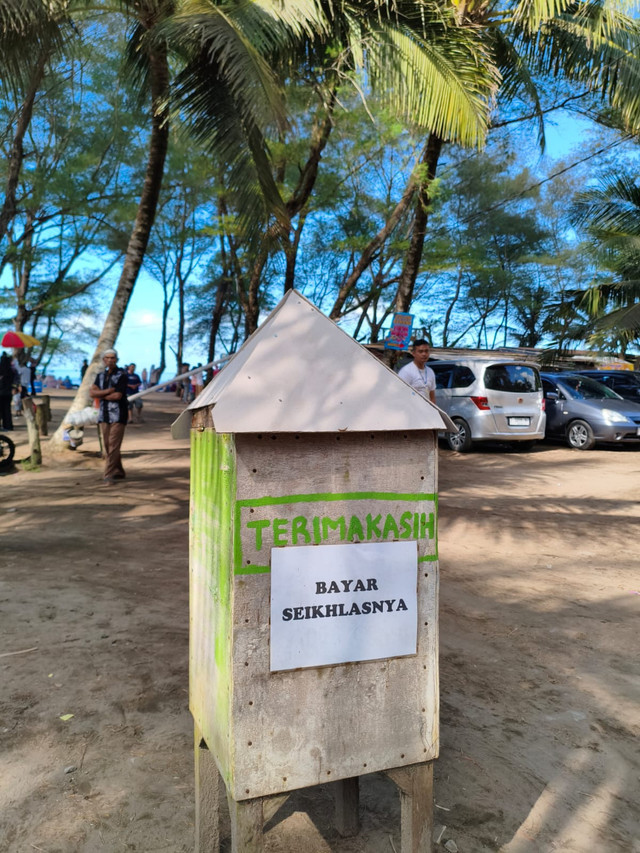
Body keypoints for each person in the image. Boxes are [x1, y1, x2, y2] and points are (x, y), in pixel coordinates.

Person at [90, 348, 129, 484]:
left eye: (113, 358)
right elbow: (92, 392)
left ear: (116, 359)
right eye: (108, 358)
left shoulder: (122, 375)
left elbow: (117, 396)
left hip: (119, 414)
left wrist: (100, 394)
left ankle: (108, 474)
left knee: (113, 445)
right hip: (104, 414)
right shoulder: (100, 375)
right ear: (104, 360)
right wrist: (108, 391)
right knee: (107, 444)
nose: (110, 360)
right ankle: (118, 470)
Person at [398, 339, 436, 403]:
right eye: (420, 351)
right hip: (410, 410)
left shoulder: (430, 372)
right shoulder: (406, 371)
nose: (424, 354)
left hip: (426, 411)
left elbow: (432, 398)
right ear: (413, 353)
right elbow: (399, 395)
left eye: (426, 351)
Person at [0, 352, 16, 430]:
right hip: (8, 393)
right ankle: (8, 425)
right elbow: (14, 381)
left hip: (1, 392)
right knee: (7, 410)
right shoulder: (12, 371)